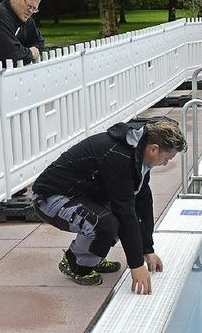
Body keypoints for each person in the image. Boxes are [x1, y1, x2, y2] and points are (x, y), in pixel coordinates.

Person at [32, 117, 187, 294]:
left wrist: (147, 249)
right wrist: (136, 265)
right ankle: (75, 264)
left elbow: (143, 202)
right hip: (51, 198)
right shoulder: (119, 156)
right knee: (106, 224)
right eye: (167, 158)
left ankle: (93, 256)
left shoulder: (138, 151)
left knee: (117, 220)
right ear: (154, 149)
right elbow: (125, 211)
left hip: (82, 193)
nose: (166, 163)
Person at [0, 0, 45, 66]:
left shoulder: (27, 20)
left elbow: (40, 43)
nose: (31, 11)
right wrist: (31, 53)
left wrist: (25, 52)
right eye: (29, 6)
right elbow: (12, 53)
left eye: (34, 9)